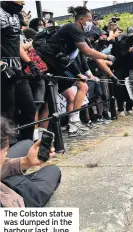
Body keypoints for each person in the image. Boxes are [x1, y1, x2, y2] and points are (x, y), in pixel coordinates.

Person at [36, 6, 117, 136]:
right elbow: (88, 52)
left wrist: (112, 76)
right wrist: (107, 56)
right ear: (81, 19)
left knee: (50, 101)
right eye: (89, 19)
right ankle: (63, 126)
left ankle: (68, 125)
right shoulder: (71, 28)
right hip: (48, 64)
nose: (91, 23)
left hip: (59, 65)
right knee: (49, 101)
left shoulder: (80, 35)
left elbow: (95, 57)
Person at [0, 1, 38, 141]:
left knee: (30, 110)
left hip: (17, 70)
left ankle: (25, 143)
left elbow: (17, 43)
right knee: (7, 114)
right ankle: (5, 152)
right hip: (3, 73)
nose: (24, 1)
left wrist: (30, 63)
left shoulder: (16, 15)